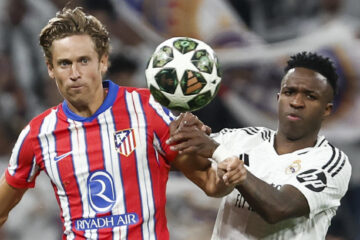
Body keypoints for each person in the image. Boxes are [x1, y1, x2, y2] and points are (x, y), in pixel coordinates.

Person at [0, 7, 243, 239]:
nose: (74, 73)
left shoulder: (148, 110)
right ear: (50, 69)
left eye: (84, 61)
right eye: (64, 63)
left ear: (103, 62)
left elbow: (211, 184)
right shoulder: (38, 133)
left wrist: (227, 174)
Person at [168, 51, 352, 239]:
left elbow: (279, 208)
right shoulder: (243, 138)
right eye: (289, 92)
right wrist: (181, 131)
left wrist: (217, 152)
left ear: (326, 109)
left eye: (310, 96)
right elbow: (172, 156)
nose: (296, 102)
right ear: (278, 98)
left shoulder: (331, 162)